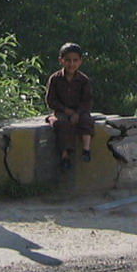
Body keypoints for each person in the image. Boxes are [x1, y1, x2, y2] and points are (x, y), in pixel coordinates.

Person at [46, 42, 95, 173]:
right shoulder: (55, 79)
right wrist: (67, 111)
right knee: (61, 124)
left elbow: (87, 101)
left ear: (80, 62)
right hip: (61, 111)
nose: (71, 64)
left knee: (87, 121)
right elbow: (51, 100)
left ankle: (86, 149)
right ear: (61, 61)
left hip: (79, 111)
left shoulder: (83, 80)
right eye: (67, 60)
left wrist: (77, 113)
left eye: (75, 60)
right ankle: (65, 156)